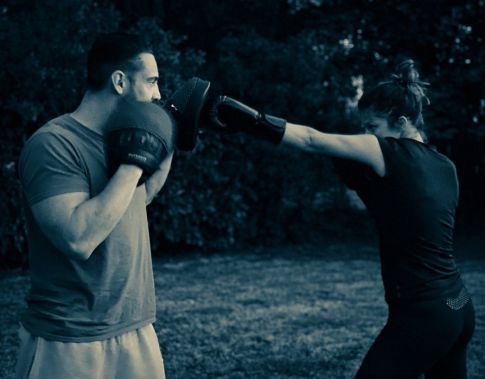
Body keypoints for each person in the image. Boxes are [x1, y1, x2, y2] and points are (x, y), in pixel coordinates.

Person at [209, 59, 475, 379]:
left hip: (424, 313)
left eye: (372, 126)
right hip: (458, 305)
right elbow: (407, 212)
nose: (366, 134)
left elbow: (309, 138)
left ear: (402, 121)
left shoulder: (388, 151)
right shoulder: (446, 166)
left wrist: (245, 119)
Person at [16, 32, 176, 379]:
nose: (158, 95)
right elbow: (78, 238)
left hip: (135, 326)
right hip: (69, 338)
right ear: (119, 81)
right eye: (151, 81)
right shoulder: (54, 144)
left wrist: (169, 145)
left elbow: (136, 201)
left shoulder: (122, 139)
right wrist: (135, 160)